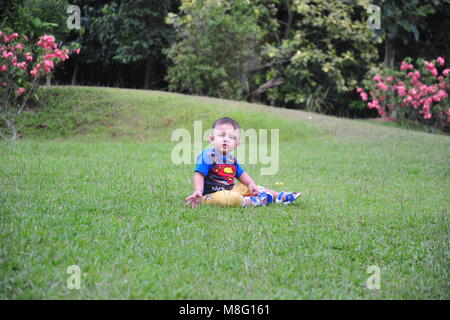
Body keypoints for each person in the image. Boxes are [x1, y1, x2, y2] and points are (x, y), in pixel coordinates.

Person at [185, 117, 301, 208]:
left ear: (236, 144)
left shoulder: (232, 160)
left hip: (230, 188)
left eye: (231, 137)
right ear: (212, 139)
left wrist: (251, 184)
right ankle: (254, 201)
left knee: (253, 188)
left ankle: (280, 196)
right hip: (210, 195)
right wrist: (198, 191)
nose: (226, 139)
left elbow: (241, 174)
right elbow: (199, 175)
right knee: (231, 198)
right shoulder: (207, 155)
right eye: (221, 135)